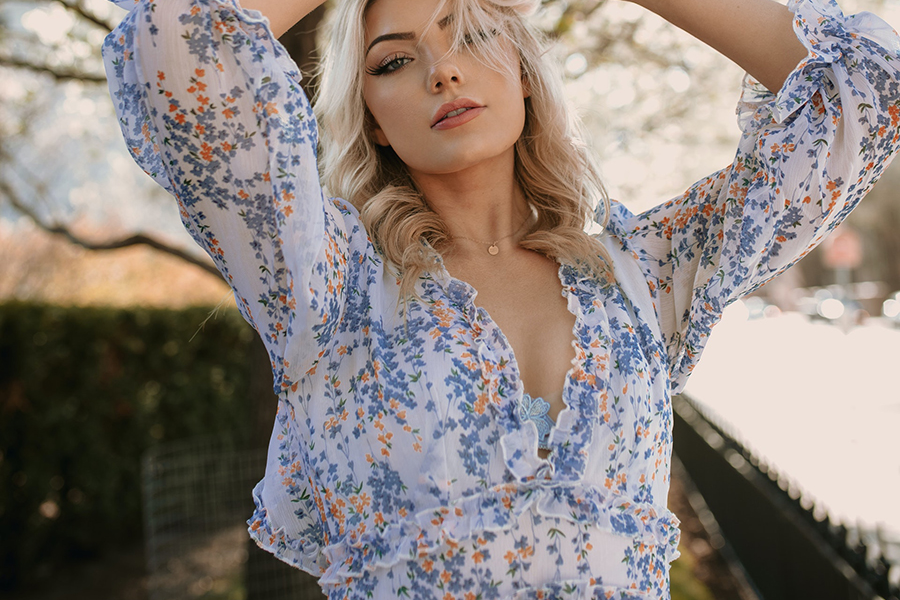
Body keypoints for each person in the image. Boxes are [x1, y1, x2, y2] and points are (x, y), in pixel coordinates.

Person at [101, 0, 900, 597]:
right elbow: (175, 46)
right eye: (393, 61)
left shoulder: (644, 276)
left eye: (472, 33)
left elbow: (868, 90)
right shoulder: (328, 286)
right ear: (373, 120)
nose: (443, 70)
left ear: (522, 67)